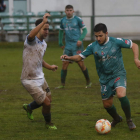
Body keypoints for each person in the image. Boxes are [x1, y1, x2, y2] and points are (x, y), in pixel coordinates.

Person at [61, 23, 140, 130]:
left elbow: (134, 45)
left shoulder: (115, 41)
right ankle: (117, 118)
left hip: (118, 74)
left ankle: (129, 120)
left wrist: (136, 59)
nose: (98, 38)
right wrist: (68, 57)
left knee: (121, 95)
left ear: (106, 33)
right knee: (107, 105)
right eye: (96, 36)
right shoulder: (93, 46)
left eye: (100, 36)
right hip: (104, 78)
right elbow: (80, 57)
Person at [21, 13, 58, 130]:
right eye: (44, 29)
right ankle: (48, 123)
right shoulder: (30, 41)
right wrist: (43, 21)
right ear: (38, 29)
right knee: (46, 103)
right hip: (29, 79)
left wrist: (50, 67)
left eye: (48, 29)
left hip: (40, 77)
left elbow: (40, 60)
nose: (47, 31)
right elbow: (31, 35)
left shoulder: (44, 44)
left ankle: (29, 107)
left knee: (49, 99)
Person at [55, 5, 92, 89]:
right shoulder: (63, 20)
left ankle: (88, 81)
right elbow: (61, 31)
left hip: (77, 45)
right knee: (64, 63)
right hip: (68, 45)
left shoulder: (78, 19)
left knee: (80, 63)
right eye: (67, 10)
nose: (69, 12)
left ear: (73, 11)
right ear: (65, 11)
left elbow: (85, 30)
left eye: (70, 10)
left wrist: (80, 39)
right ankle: (62, 84)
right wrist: (60, 42)